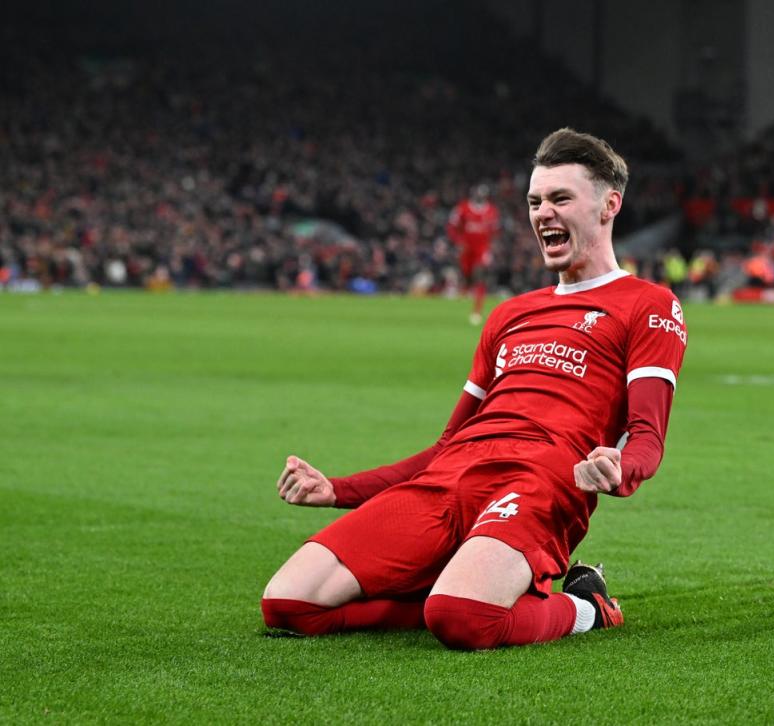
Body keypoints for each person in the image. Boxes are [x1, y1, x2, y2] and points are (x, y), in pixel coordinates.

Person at [261, 128, 688, 650]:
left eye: (559, 199)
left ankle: (586, 607)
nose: (542, 214)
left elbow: (647, 436)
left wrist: (621, 469)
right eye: (534, 202)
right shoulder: (509, 314)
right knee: (288, 604)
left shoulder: (649, 304)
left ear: (609, 206)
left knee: (462, 621)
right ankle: (455, 583)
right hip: (451, 478)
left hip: (540, 482)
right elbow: (447, 446)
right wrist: (337, 490)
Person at [446, 183, 500, 324]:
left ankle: (477, 311)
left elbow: (495, 231)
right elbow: (452, 226)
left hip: (482, 249)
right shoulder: (462, 208)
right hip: (466, 249)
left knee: (479, 275)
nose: (480, 197)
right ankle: (464, 291)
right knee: (467, 275)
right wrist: (458, 241)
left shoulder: (491, 211)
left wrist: (491, 248)